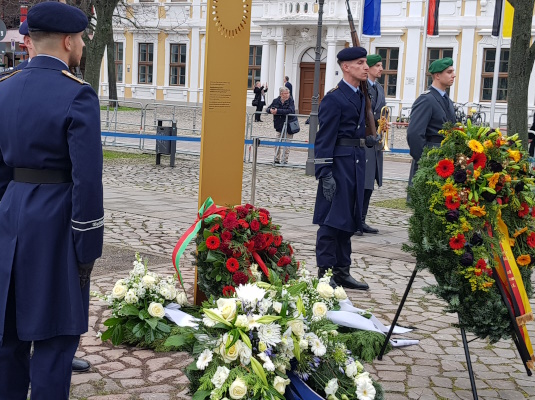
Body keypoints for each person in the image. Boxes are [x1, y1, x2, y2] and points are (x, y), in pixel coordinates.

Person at [0, 2, 104, 399]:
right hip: (56, 224)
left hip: (10, 216)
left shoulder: (4, 89)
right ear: (68, 40)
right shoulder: (77, 95)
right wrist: (87, 250)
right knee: (55, 340)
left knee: (8, 338)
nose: (81, 47)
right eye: (80, 40)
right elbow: (87, 183)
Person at [312, 46, 371, 290]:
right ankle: (325, 275)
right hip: (337, 165)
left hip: (355, 163)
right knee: (330, 222)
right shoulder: (334, 98)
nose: (366, 67)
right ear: (346, 67)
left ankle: (342, 271)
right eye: (360, 63)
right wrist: (324, 173)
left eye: (365, 62)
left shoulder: (360, 95)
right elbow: (323, 139)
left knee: (348, 219)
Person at [407, 57, 456, 186]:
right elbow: (414, 134)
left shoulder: (447, 100)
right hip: (430, 156)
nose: (454, 75)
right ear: (437, 75)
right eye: (449, 72)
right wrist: (424, 160)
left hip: (445, 160)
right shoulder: (426, 99)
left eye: (453, 71)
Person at [356, 54, 385, 236]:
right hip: (364, 141)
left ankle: (363, 219)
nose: (381, 69)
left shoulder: (379, 88)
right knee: (361, 183)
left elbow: (382, 110)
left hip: (375, 142)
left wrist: (383, 123)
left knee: (369, 185)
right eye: (378, 66)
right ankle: (355, 220)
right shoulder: (362, 87)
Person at [266, 86, 297, 164]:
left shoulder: (290, 101)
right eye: (285, 93)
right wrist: (271, 110)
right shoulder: (276, 101)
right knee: (277, 143)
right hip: (279, 125)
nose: (287, 95)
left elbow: (291, 110)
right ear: (281, 94)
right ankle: (276, 159)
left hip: (289, 125)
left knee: (287, 144)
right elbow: (267, 109)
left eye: (288, 93)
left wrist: (278, 111)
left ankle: (284, 160)